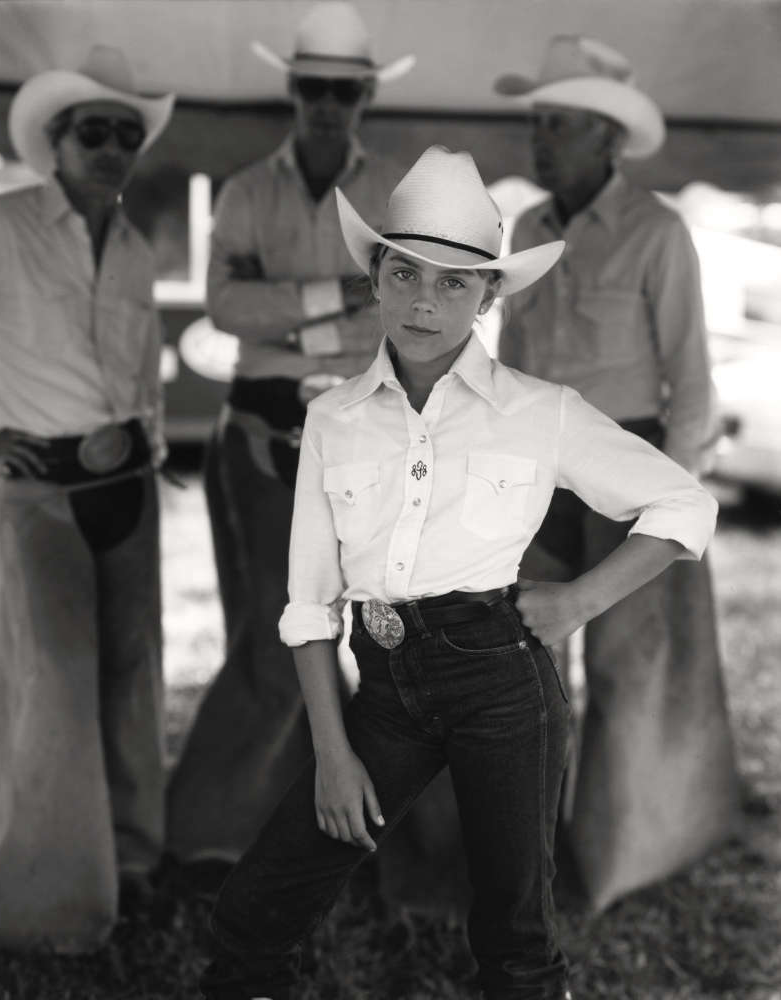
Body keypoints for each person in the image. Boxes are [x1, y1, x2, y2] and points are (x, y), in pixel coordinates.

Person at [198, 145, 718, 1000]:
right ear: (373, 277)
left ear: (488, 297)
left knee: (514, 937)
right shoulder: (332, 419)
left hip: (503, 684)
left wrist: (580, 600)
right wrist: (331, 753)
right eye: (404, 273)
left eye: (453, 282)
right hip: (387, 695)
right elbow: (308, 607)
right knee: (255, 908)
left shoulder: (540, 413)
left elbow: (683, 504)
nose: (424, 301)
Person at [165, 0, 413, 890]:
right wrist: (330, 303)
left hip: (366, 433)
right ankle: (208, 837)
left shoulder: (396, 190)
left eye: (342, 89)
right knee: (275, 640)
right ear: (292, 89)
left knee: (390, 641)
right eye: (313, 85)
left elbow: (397, 304)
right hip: (265, 434)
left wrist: (291, 308)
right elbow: (227, 309)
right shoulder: (245, 191)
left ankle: (375, 833)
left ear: (365, 95)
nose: (326, 101)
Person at [494, 35, 741, 908]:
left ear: (605, 135)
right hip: (537, 475)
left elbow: (693, 383)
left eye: (557, 123)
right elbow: (509, 364)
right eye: (538, 123)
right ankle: (531, 846)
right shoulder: (525, 231)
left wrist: (669, 510)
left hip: (631, 472)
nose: (540, 139)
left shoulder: (657, 233)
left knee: (633, 670)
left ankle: (623, 853)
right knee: (525, 661)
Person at [0, 45, 174, 952]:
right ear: (55, 140)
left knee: (133, 670)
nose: (111, 147)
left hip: (127, 478)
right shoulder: (4, 224)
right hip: (36, 487)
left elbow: (141, 370)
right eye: (93, 130)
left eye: (126, 135)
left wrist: (150, 433)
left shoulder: (137, 246)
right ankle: (53, 889)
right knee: (53, 681)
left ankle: (136, 861)